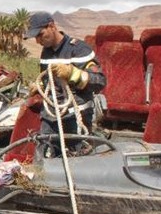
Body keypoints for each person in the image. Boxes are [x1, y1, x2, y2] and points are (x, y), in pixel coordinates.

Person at [24, 12, 106, 148]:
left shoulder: (80, 49)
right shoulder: (46, 52)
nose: (38, 41)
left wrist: (72, 73)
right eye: (35, 37)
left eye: (40, 35)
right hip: (50, 117)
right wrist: (40, 86)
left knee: (76, 159)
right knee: (45, 157)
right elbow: (48, 79)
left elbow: (100, 81)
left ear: (52, 26)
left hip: (76, 117)